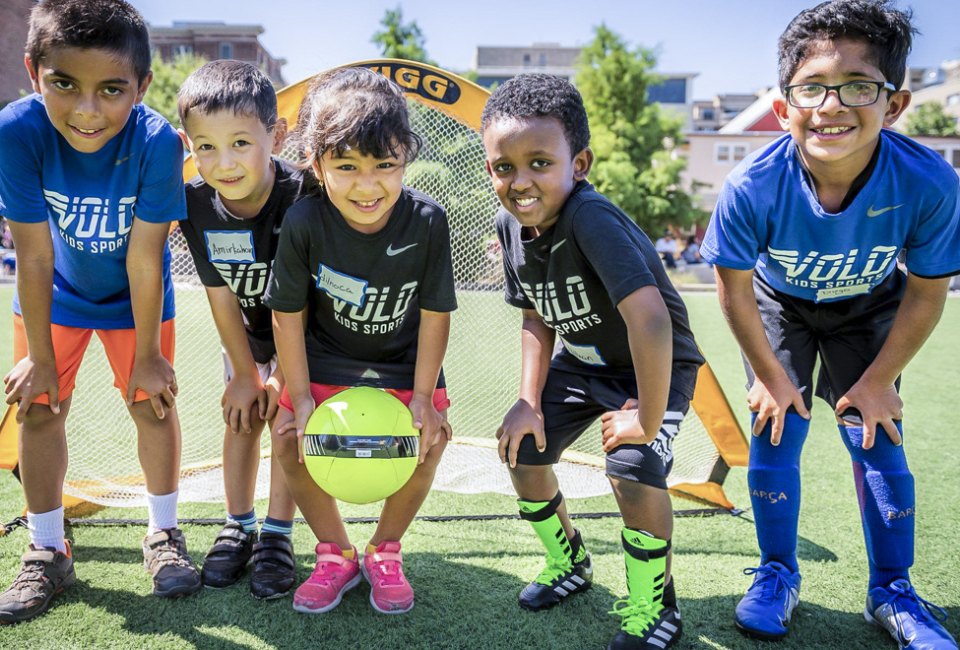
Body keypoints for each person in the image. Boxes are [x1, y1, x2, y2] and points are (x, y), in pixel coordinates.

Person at [700, 1, 960, 647]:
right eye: (812, 87)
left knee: (875, 435)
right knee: (776, 427)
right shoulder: (751, 185)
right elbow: (731, 289)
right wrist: (767, 374)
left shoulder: (929, 181)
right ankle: (776, 574)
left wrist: (881, 380)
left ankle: (892, 590)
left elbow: (928, 294)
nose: (832, 105)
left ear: (894, 104)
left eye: (859, 87)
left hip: (869, 308)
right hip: (780, 307)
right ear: (784, 106)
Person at [481, 73, 704, 650]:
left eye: (539, 163)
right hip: (582, 364)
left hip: (651, 365)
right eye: (504, 167)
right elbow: (536, 316)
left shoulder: (590, 218)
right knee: (522, 449)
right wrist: (528, 401)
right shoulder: (511, 226)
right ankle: (571, 562)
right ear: (489, 170)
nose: (520, 181)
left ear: (578, 163)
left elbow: (651, 321)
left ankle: (657, 607)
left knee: (631, 465)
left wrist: (646, 421)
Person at [0, 0, 201, 624]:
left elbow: (146, 258)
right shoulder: (16, 130)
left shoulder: (158, 142)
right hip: (53, 292)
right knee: (38, 406)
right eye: (65, 84)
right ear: (35, 72)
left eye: (111, 90)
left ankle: (164, 534)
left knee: (151, 403)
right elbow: (31, 255)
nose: (87, 110)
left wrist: (146, 357)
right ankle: (46, 548)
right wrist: (36, 355)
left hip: (134, 298)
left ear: (140, 87)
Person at [263, 67, 457, 615]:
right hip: (327, 358)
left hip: (403, 364)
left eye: (384, 166)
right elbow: (287, 314)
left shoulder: (426, 221)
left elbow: (437, 312)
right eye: (346, 166)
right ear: (317, 163)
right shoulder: (304, 220)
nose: (366, 185)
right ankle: (335, 554)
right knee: (287, 439)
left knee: (429, 441)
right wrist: (299, 397)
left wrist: (423, 397)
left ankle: (384, 551)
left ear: (404, 161)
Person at [177, 60, 312, 599]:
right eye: (206, 147)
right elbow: (219, 291)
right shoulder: (194, 204)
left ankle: (278, 536)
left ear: (276, 134)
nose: (223, 162)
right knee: (240, 416)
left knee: (285, 423)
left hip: (303, 336)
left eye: (239, 143)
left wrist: (284, 375)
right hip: (246, 335)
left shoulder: (306, 196)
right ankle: (239, 524)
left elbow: (306, 302)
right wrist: (243, 373)